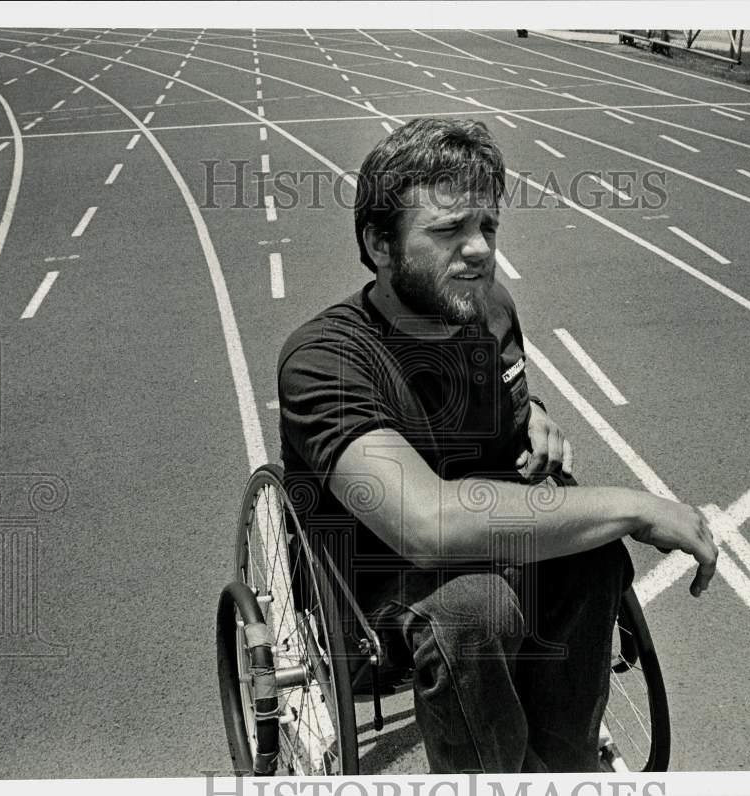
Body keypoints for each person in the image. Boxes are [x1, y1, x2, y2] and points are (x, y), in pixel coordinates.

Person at [277, 117, 717, 773]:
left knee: (594, 558)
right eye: (449, 230)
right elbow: (424, 525)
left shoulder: (488, 308)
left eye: (487, 226)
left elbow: (507, 397)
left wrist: (532, 412)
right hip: (372, 590)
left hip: (491, 542)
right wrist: (635, 506)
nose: (480, 249)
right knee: (474, 608)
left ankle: (562, 761)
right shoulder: (325, 361)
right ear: (380, 243)